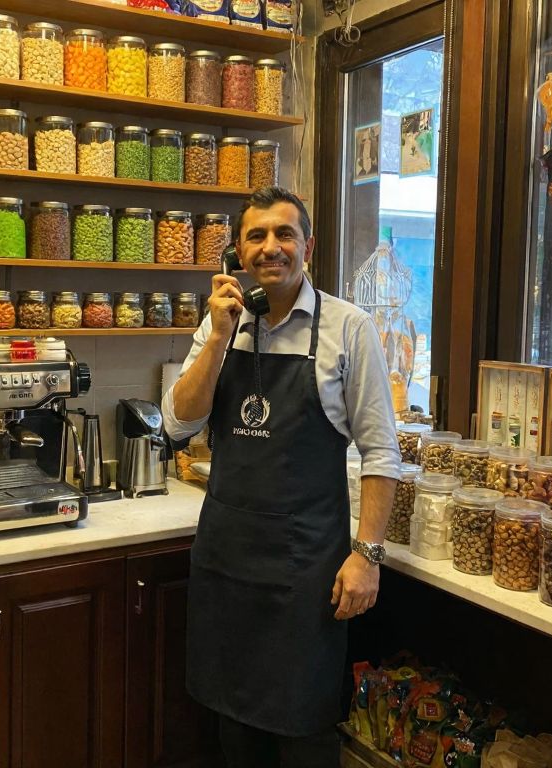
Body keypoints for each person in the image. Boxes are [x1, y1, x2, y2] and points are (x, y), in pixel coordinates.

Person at [162, 187, 400, 767]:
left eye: (284, 234)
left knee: (303, 734)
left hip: (305, 574)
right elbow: (177, 421)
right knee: (234, 733)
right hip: (227, 564)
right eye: (256, 236)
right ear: (238, 254)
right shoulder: (220, 324)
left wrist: (366, 554)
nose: (271, 248)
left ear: (308, 247)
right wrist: (218, 336)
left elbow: (381, 453)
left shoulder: (350, 328)